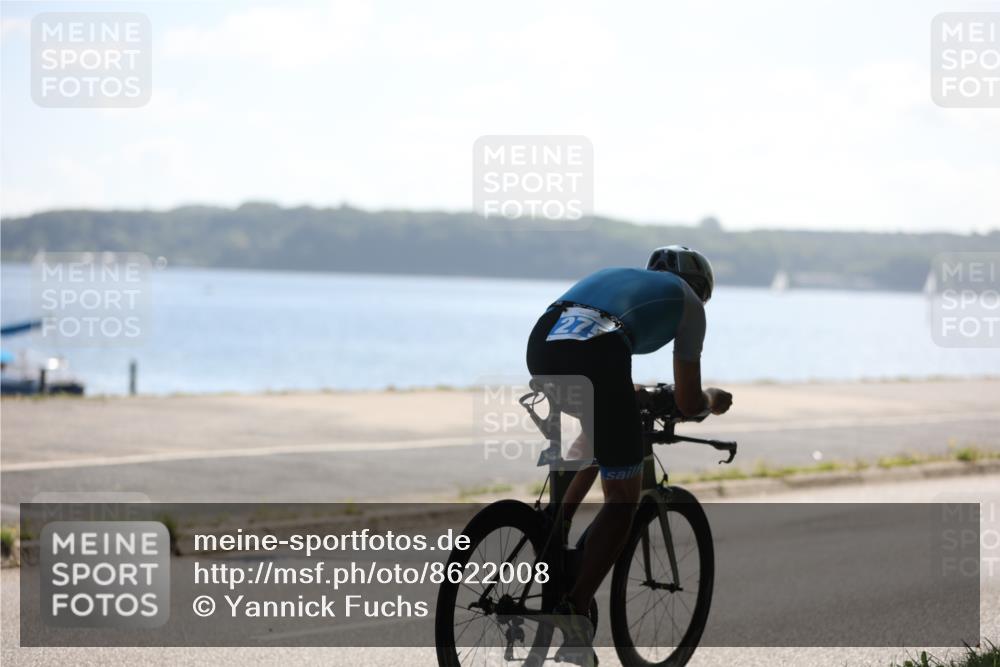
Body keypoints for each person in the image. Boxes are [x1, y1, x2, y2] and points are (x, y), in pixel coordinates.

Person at [525, 245, 733, 664]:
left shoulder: (616, 275)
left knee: (599, 424)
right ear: (700, 288)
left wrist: (630, 391)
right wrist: (711, 399)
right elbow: (689, 401)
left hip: (542, 344)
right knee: (623, 501)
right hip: (599, 356)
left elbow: (593, 338)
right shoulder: (690, 305)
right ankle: (574, 613)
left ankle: (554, 522)